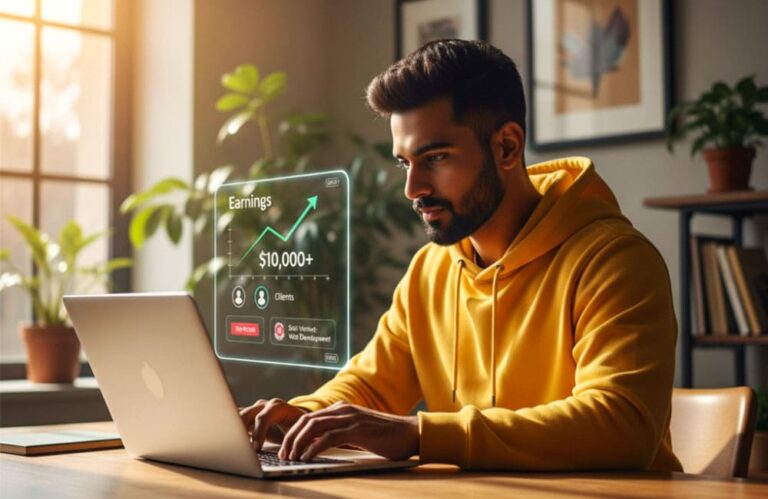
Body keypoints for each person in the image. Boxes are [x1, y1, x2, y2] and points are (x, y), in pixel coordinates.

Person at [240, 39, 682, 471]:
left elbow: (623, 423)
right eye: (404, 163)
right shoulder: (430, 270)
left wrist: (419, 435)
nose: (413, 189)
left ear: (507, 147)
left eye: (435, 157)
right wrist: (297, 418)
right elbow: (370, 390)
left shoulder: (615, 261)